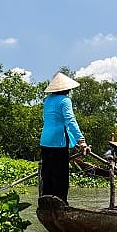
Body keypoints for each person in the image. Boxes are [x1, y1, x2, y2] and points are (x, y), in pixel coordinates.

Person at [39, 73, 88, 204]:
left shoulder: (47, 100)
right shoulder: (65, 100)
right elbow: (70, 121)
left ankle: (46, 201)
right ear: (66, 89)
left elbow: (55, 121)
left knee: (47, 173)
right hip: (58, 142)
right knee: (61, 176)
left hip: (45, 140)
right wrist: (81, 140)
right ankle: (60, 203)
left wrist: (74, 142)